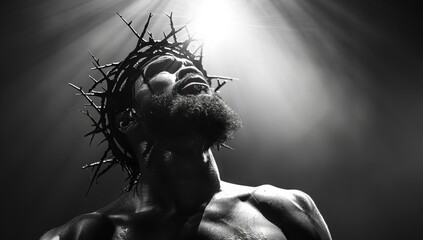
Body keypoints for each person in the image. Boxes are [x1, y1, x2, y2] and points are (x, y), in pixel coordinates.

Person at [41, 14, 332, 240]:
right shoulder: (79, 235)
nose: (187, 68)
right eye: (162, 67)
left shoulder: (283, 208)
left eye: (189, 64)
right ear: (128, 119)